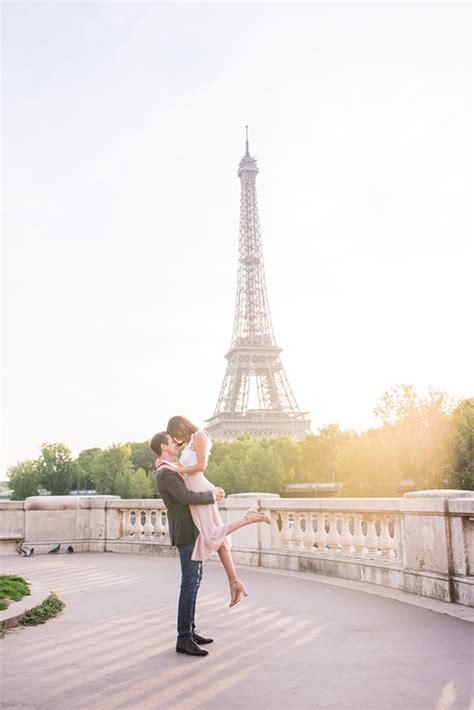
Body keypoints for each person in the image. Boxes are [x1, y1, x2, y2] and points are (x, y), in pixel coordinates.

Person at [165, 415, 270, 608]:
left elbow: (201, 466)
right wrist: (172, 466)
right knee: (217, 537)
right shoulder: (190, 442)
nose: (176, 439)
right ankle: (234, 581)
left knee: (212, 534)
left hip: (200, 489)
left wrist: (174, 467)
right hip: (194, 490)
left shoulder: (199, 436)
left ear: (180, 427)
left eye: (175, 434)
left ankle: (249, 518)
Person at [151, 431, 223, 657]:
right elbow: (186, 497)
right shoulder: (166, 474)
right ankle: (183, 638)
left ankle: (189, 631)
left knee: (195, 579)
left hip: (190, 529)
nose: (177, 443)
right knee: (190, 582)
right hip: (185, 532)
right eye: (172, 441)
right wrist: (213, 495)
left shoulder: (168, 469)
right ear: (164, 446)